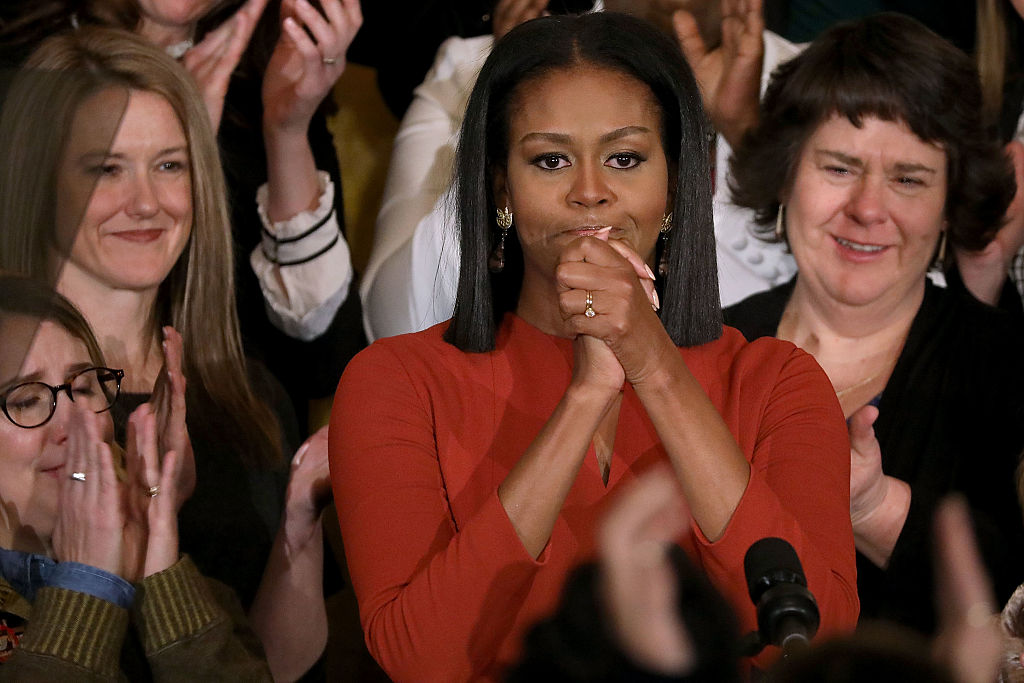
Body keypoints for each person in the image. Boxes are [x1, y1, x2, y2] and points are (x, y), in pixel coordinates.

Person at [330, 12, 858, 683]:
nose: (589, 191)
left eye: (625, 158)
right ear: (500, 188)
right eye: (550, 160)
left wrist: (651, 362)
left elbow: (818, 633)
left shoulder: (779, 380)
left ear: (674, 187)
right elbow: (420, 659)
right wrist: (585, 396)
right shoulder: (396, 382)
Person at [0, 27, 331, 680]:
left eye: (169, 164)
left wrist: (300, 523)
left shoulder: (250, 394)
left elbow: (271, 667)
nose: (147, 202)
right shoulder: (24, 425)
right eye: (106, 168)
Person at [722, 13, 1024, 635]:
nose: (866, 209)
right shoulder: (705, 347)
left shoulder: (1008, 364)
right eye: (839, 168)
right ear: (785, 175)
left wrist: (874, 507)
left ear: (951, 203)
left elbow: (1012, 593)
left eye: (908, 180)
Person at [0, 275, 272, 680]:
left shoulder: (154, 558)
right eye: (26, 400)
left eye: (84, 388)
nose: (75, 424)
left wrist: (157, 571)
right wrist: (85, 589)